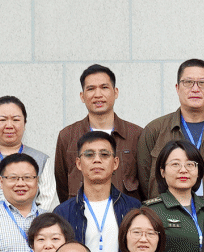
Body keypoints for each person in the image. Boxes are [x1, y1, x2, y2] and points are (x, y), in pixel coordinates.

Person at [138, 59, 204, 199]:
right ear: (177, 88)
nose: (195, 89)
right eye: (188, 82)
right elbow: (144, 181)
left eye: (202, 83)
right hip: (167, 211)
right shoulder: (155, 130)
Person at [51, 64, 144, 203]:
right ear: (82, 96)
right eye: (91, 89)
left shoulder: (136, 134)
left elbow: (145, 183)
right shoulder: (67, 136)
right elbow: (62, 185)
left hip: (126, 214)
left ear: (116, 92)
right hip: (81, 213)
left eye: (104, 87)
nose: (98, 95)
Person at [57, 132, 144, 252]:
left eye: (104, 154)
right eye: (89, 154)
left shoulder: (132, 207)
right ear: (78, 163)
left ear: (115, 163)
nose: (97, 160)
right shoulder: (63, 212)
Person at [0, 95, 53, 211]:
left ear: (24, 123)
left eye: (16, 120)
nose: (9, 125)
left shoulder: (42, 160)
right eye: (2, 120)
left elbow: (46, 204)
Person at [138, 138, 204, 252]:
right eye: (175, 164)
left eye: (190, 164)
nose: (183, 170)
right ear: (162, 171)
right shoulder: (151, 211)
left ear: (198, 171)